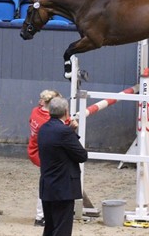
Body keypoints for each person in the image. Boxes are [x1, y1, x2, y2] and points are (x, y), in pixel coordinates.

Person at [38, 96, 88, 236]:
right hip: (63, 188)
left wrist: (69, 131)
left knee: (50, 228)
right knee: (62, 229)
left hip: (47, 186)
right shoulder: (64, 132)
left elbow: (57, 143)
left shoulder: (43, 129)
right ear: (66, 112)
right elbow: (82, 156)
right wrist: (71, 132)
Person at [28, 89, 62, 227]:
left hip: (35, 149)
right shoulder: (47, 121)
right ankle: (40, 216)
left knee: (47, 183)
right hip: (43, 154)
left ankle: (45, 214)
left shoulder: (36, 111)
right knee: (47, 185)